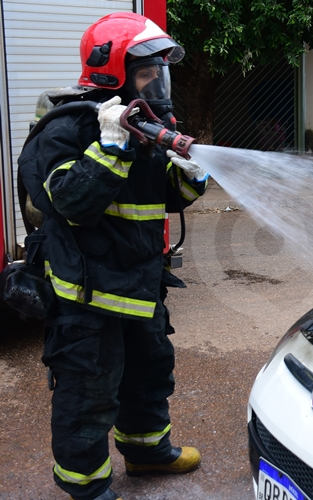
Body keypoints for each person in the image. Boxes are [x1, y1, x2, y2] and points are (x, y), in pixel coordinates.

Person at [17, 12, 208, 500]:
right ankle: (87, 485)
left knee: (149, 372)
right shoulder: (67, 129)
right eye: (148, 72)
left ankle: (147, 452)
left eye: (161, 71)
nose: (158, 81)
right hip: (88, 292)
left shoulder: (145, 125)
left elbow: (158, 199)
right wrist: (109, 149)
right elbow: (70, 204)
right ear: (113, 71)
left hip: (140, 284)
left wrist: (187, 177)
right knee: (88, 390)